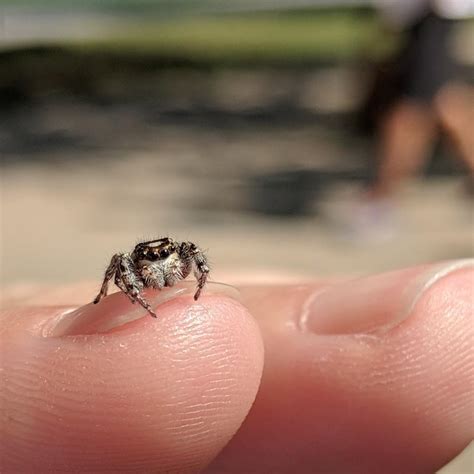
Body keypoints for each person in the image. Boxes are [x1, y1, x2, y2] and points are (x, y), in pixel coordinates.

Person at [1, 259, 472, 472]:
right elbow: (123, 269)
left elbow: (193, 263)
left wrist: (200, 286)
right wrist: (124, 300)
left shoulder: (180, 256)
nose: (163, 264)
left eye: (170, 258)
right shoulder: (134, 265)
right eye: (154, 260)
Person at [352, 0, 474, 239]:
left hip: (432, 21)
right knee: (449, 109)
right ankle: (381, 199)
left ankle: (380, 199)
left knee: (410, 116)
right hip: (421, 25)